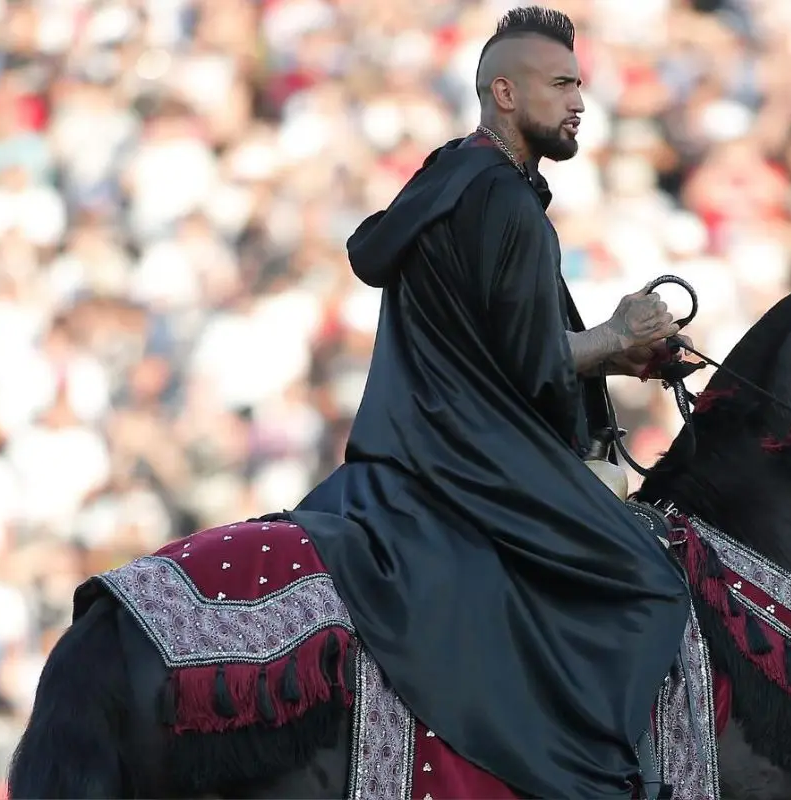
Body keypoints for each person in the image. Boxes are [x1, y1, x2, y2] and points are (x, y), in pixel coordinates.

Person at [290, 6, 690, 797]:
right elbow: (531, 368)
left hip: (412, 445)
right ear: (503, 92)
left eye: (582, 84)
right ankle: (595, 777)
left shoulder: (449, 174)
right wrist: (614, 335)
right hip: (475, 458)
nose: (581, 101)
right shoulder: (504, 201)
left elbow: (493, 350)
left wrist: (618, 355)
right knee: (649, 584)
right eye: (562, 84)